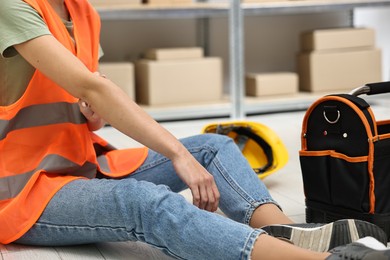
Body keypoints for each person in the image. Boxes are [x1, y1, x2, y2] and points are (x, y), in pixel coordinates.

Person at [0, 0, 389, 259]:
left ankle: (283, 232)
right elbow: (94, 86)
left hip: (81, 163)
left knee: (215, 146)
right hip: (22, 190)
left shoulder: (82, 11)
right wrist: (175, 153)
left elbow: (90, 102)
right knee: (144, 203)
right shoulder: (12, 6)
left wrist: (93, 116)